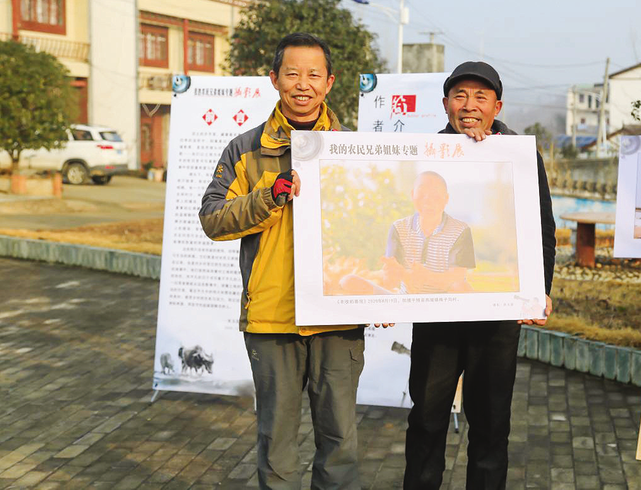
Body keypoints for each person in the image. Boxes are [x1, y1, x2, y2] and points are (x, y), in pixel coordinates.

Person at [199, 33, 364, 490]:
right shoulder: (245, 149)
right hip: (272, 317)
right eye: (292, 74)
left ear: (329, 82)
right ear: (274, 79)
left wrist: (378, 297)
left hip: (337, 316)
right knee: (277, 442)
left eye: (313, 75)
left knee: (341, 441)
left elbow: (372, 229)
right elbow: (212, 218)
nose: (302, 84)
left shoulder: (354, 150)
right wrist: (267, 197)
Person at [403, 61, 557, 490]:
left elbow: (543, 229)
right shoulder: (426, 153)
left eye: (480, 97)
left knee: (491, 424)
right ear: (446, 104)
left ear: (497, 106)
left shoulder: (520, 156)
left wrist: (538, 289)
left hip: (496, 318)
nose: (469, 106)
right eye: (460, 96)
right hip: (436, 316)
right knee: (426, 418)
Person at [339, 171, 476, 295]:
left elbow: (456, 278)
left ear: (446, 199)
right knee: (348, 281)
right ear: (412, 195)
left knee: (462, 287)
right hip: (405, 301)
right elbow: (390, 282)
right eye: (422, 193)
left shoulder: (460, 230)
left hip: (443, 304)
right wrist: (392, 274)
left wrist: (426, 277)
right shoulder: (399, 227)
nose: (428, 200)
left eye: (435, 194)